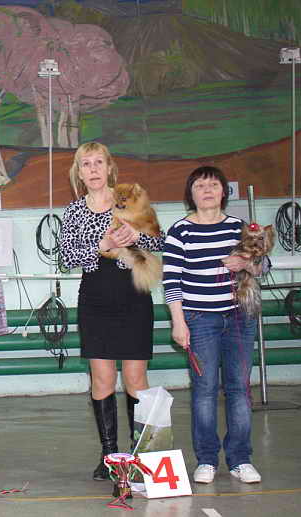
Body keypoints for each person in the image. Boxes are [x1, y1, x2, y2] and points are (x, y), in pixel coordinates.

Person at [59, 142, 165, 481]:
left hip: (133, 295)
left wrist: (137, 237)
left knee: (136, 379)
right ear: (79, 172)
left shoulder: (132, 199)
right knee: (102, 380)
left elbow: (159, 241)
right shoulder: (73, 211)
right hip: (95, 299)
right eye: (85, 164)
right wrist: (100, 246)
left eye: (98, 162)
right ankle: (109, 456)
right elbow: (66, 258)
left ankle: (139, 454)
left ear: (109, 168)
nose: (92, 169)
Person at [163, 166, 266, 484]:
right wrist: (178, 322)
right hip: (200, 320)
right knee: (204, 390)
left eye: (213, 185)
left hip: (239, 319)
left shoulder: (239, 228)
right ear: (190, 194)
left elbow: (264, 265)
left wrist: (246, 263)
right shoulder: (179, 231)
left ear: (224, 191)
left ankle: (240, 459)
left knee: (239, 389)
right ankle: (206, 459)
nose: (207, 190)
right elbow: (171, 281)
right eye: (200, 186)